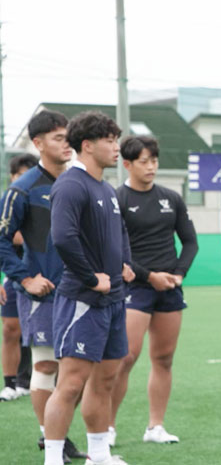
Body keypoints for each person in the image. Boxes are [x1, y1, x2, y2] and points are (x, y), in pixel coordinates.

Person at [43, 110, 134, 465]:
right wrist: (90, 277)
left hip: (113, 301)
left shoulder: (106, 188)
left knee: (105, 382)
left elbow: (119, 231)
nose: (116, 147)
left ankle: (99, 454)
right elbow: (63, 238)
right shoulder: (70, 184)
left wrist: (124, 263)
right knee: (71, 384)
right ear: (87, 145)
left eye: (116, 139)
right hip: (82, 300)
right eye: (110, 140)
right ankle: (52, 458)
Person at [0, 111, 87, 461]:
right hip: (44, 294)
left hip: (80, 292)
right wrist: (25, 277)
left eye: (68, 136)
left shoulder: (79, 183)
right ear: (37, 144)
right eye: (56, 137)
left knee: (77, 372)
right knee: (46, 366)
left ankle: (57, 432)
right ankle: (50, 438)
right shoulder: (22, 190)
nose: (66, 142)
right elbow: (2, 239)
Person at [108, 136, 198, 445]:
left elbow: (190, 241)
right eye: (144, 161)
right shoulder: (117, 198)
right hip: (135, 288)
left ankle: (155, 427)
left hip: (169, 289)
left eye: (154, 160)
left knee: (164, 358)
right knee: (126, 357)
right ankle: (107, 428)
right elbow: (115, 250)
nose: (151, 167)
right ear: (127, 164)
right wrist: (150, 276)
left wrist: (179, 274)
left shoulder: (171, 198)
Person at [1, 153, 38, 402]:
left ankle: (32, 379)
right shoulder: (8, 202)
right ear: (12, 177)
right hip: (15, 276)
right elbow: (8, 238)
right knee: (11, 328)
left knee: (38, 332)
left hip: (45, 274)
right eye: (19, 175)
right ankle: (11, 383)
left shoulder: (43, 202)